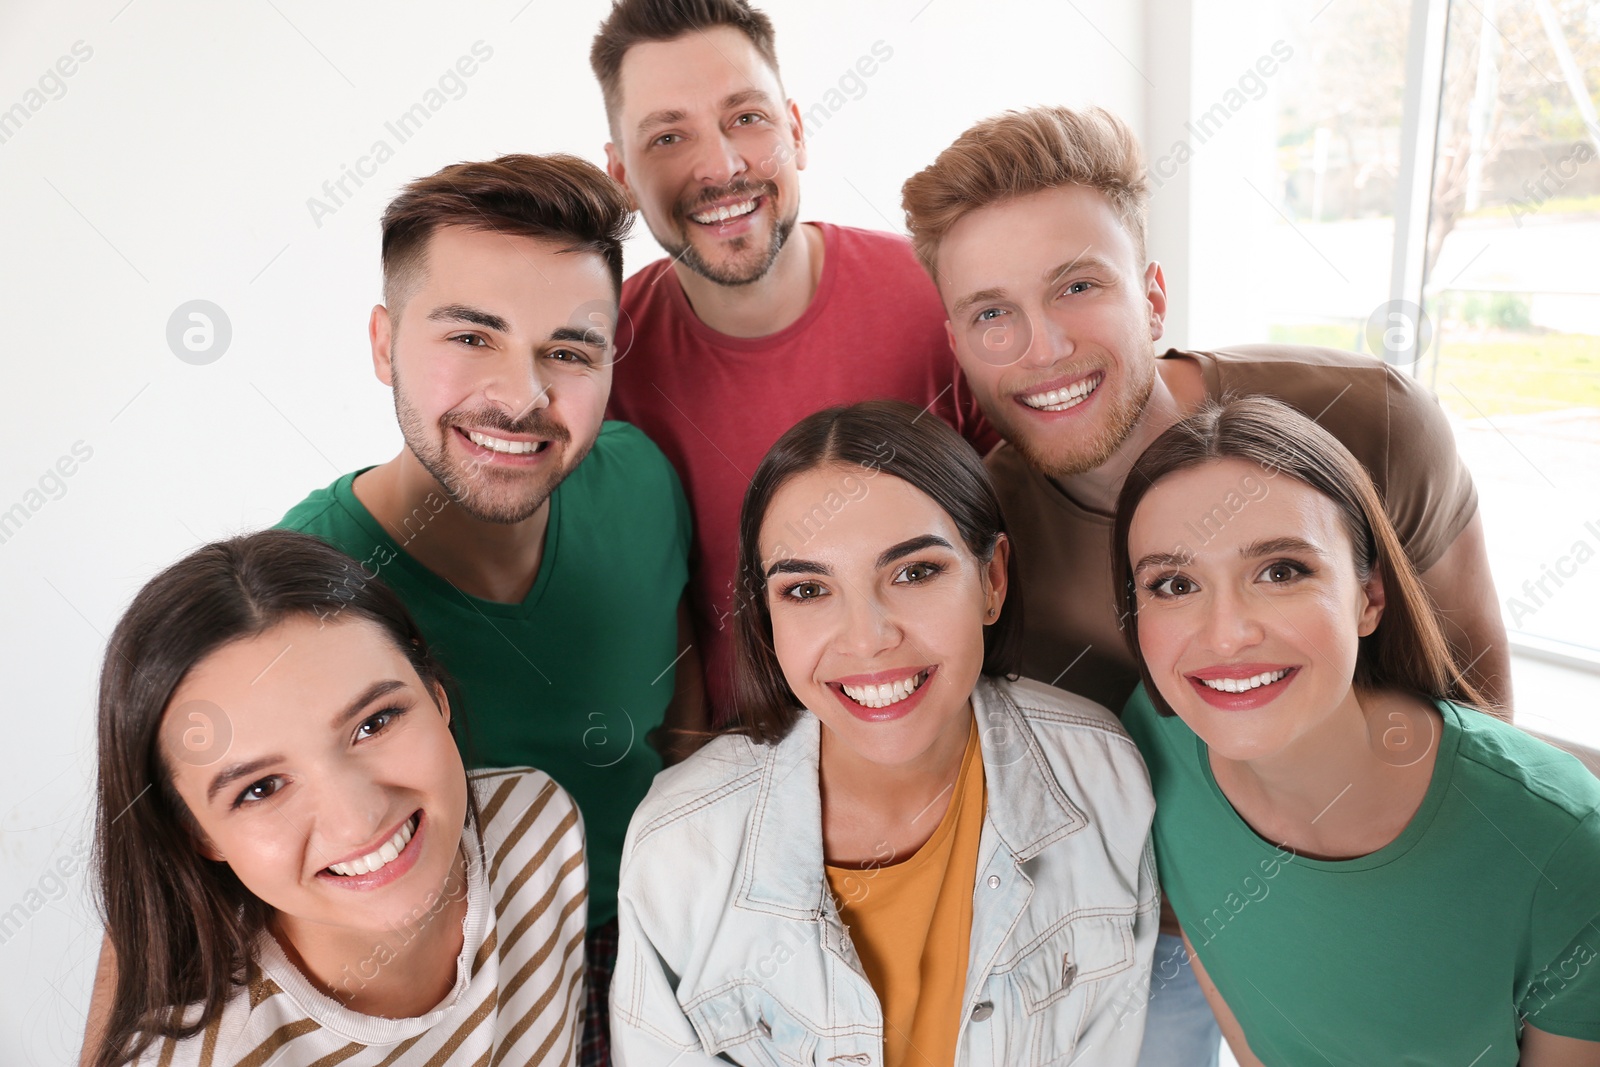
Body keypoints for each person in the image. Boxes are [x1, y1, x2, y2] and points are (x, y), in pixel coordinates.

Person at [900, 104, 1513, 1064]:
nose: (1043, 346)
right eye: (991, 314)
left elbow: (1478, 708)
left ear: (1151, 296)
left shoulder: (1371, 425)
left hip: (1409, 872)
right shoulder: (982, 542)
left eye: (1077, 286)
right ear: (957, 340)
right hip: (1165, 936)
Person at [84, 153, 692, 1067]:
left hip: (651, 952)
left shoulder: (641, 478)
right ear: (383, 343)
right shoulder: (302, 601)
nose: (522, 397)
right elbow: (165, 885)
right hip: (447, 1000)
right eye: (471, 337)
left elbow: (679, 705)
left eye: (569, 351)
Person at [610, 401, 1159, 1067]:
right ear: (766, 619)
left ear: (991, 579)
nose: (868, 639)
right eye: (808, 590)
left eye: (914, 572)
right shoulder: (680, 845)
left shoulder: (1101, 776)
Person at [1114, 397, 1600, 1065]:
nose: (1226, 634)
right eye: (1173, 584)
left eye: (1281, 571)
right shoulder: (1151, 740)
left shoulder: (1561, 839)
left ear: (1369, 596)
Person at [589, 0, 996, 725]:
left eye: (746, 117)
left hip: (954, 744)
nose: (720, 165)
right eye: (668, 135)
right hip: (734, 782)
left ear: (796, 130)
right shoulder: (594, 362)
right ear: (621, 174)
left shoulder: (941, 297)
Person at [86, 529, 587, 1067]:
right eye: (260, 788)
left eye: (374, 723)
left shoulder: (539, 823)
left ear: (435, 694)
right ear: (199, 833)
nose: (357, 821)